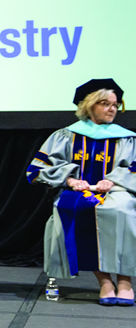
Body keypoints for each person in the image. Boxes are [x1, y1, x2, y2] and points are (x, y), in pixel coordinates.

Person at [27, 79, 136, 305]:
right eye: (105, 103)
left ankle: (125, 281)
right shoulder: (65, 135)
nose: (112, 109)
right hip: (79, 190)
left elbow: (133, 168)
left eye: (116, 105)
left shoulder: (126, 137)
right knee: (72, 208)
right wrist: (69, 179)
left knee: (122, 209)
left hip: (117, 191)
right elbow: (36, 169)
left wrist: (114, 180)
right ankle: (105, 281)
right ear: (89, 105)